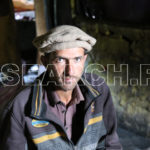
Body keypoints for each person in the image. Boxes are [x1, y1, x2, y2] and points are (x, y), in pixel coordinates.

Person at [0, 25, 122, 150]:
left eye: (77, 59)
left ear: (84, 59)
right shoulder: (22, 104)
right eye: (60, 60)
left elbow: (110, 144)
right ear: (45, 62)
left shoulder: (99, 90)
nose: (70, 71)